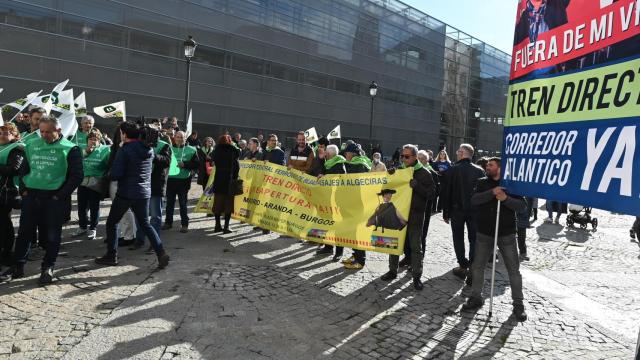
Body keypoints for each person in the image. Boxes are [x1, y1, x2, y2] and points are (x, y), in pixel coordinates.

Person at [2, 115, 83, 285]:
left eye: (48, 132)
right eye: (42, 131)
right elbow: (24, 169)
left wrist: (59, 196)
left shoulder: (70, 148)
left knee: (52, 235)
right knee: (24, 233)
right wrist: (24, 190)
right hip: (31, 195)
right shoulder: (31, 145)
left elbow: (76, 176)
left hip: (54, 197)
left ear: (59, 131)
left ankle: (48, 267)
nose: (44, 135)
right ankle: (18, 266)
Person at [95, 121, 170, 268]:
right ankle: (161, 253)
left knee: (112, 223)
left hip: (126, 192)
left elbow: (116, 174)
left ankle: (111, 255)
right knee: (146, 224)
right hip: (143, 193)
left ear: (124, 134)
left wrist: (107, 175)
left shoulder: (125, 149)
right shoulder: (149, 149)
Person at [462, 157, 527, 322]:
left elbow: (521, 207)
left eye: (490, 165)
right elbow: (474, 200)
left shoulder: (512, 184)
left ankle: (518, 304)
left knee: (513, 270)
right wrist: (492, 192)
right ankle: (476, 297)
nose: (487, 167)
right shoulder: (482, 182)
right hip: (484, 233)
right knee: (478, 266)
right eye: (487, 165)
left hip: (507, 234)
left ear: (500, 168)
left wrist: (505, 198)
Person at [380, 145, 435, 290]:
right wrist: (390, 176)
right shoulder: (400, 171)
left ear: (415, 157)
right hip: (398, 214)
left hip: (416, 216)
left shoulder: (424, 173)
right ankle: (392, 271)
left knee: (416, 247)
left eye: (407, 156)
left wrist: (417, 186)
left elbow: (431, 194)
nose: (403, 159)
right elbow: (387, 190)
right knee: (394, 243)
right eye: (402, 156)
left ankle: (417, 277)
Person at [441, 144, 485, 282]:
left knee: (458, 238)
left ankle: (462, 265)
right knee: (474, 239)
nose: (456, 153)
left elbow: (446, 193)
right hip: (476, 211)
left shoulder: (452, 170)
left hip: (457, 210)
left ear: (461, 153)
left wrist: (446, 213)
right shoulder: (479, 171)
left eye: (458, 151)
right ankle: (471, 266)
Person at [131, 126, 172, 250]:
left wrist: (153, 155)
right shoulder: (139, 144)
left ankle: (154, 243)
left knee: (155, 216)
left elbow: (167, 161)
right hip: (141, 184)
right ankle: (140, 239)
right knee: (140, 215)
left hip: (155, 186)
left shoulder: (164, 145)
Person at [73, 129, 110, 240]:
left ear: (99, 140)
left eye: (95, 139)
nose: (93, 141)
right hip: (83, 182)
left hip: (96, 183)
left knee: (94, 206)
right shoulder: (82, 149)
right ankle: (82, 226)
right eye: (90, 139)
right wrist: (86, 152)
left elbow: (109, 165)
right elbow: (77, 162)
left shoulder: (105, 150)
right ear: (87, 140)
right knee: (81, 206)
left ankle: (93, 228)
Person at [341, 142, 371, 270]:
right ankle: (355, 255)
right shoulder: (360, 162)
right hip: (353, 202)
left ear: (352, 154)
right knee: (352, 232)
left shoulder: (358, 165)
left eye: (346, 153)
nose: (345, 155)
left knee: (357, 232)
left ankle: (360, 260)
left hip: (359, 204)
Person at [164, 131, 199, 233]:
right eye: (178, 137)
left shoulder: (192, 149)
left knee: (183, 204)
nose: (179, 139)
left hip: (183, 181)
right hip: (170, 180)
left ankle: (184, 224)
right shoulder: (168, 148)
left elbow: (197, 164)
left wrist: (185, 164)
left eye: (182, 137)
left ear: (185, 138)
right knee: (169, 203)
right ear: (174, 137)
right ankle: (168, 222)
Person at [107, 124, 137, 246]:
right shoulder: (117, 147)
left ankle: (129, 236)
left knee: (126, 211)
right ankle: (123, 234)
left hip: (122, 182)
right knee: (120, 212)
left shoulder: (127, 148)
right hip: (116, 181)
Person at [0, 124, 25, 266]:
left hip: (6, 193)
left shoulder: (16, 149)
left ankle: (6, 253)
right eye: (0, 133)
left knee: (4, 223)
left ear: (14, 135)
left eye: (6, 133)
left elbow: (15, 169)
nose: (2, 135)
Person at [315, 144, 346, 258]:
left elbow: (339, 181)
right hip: (327, 200)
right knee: (327, 224)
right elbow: (320, 171)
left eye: (326, 154)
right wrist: (321, 160)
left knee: (338, 227)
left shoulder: (339, 165)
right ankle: (328, 247)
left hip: (337, 201)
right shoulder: (327, 163)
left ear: (329, 154)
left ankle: (339, 252)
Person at [211, 134, 240, 234]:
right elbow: (237, 166)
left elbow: (212, 160)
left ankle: (217, 225)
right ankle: (226, 227)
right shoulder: (232, 151)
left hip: (218, 179)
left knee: (217, 204)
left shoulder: (216, 151)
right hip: (229, 180)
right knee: (228, 204)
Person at [417, 150, 438, 255]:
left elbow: (433, 194)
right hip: (412, 207)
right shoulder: (412, 170)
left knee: (422, 233)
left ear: (427, 160)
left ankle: (420, 256)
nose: (419, 160)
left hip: (425, 207)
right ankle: (408, 257)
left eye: (422, 158)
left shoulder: (431, 173)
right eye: (418, 158)